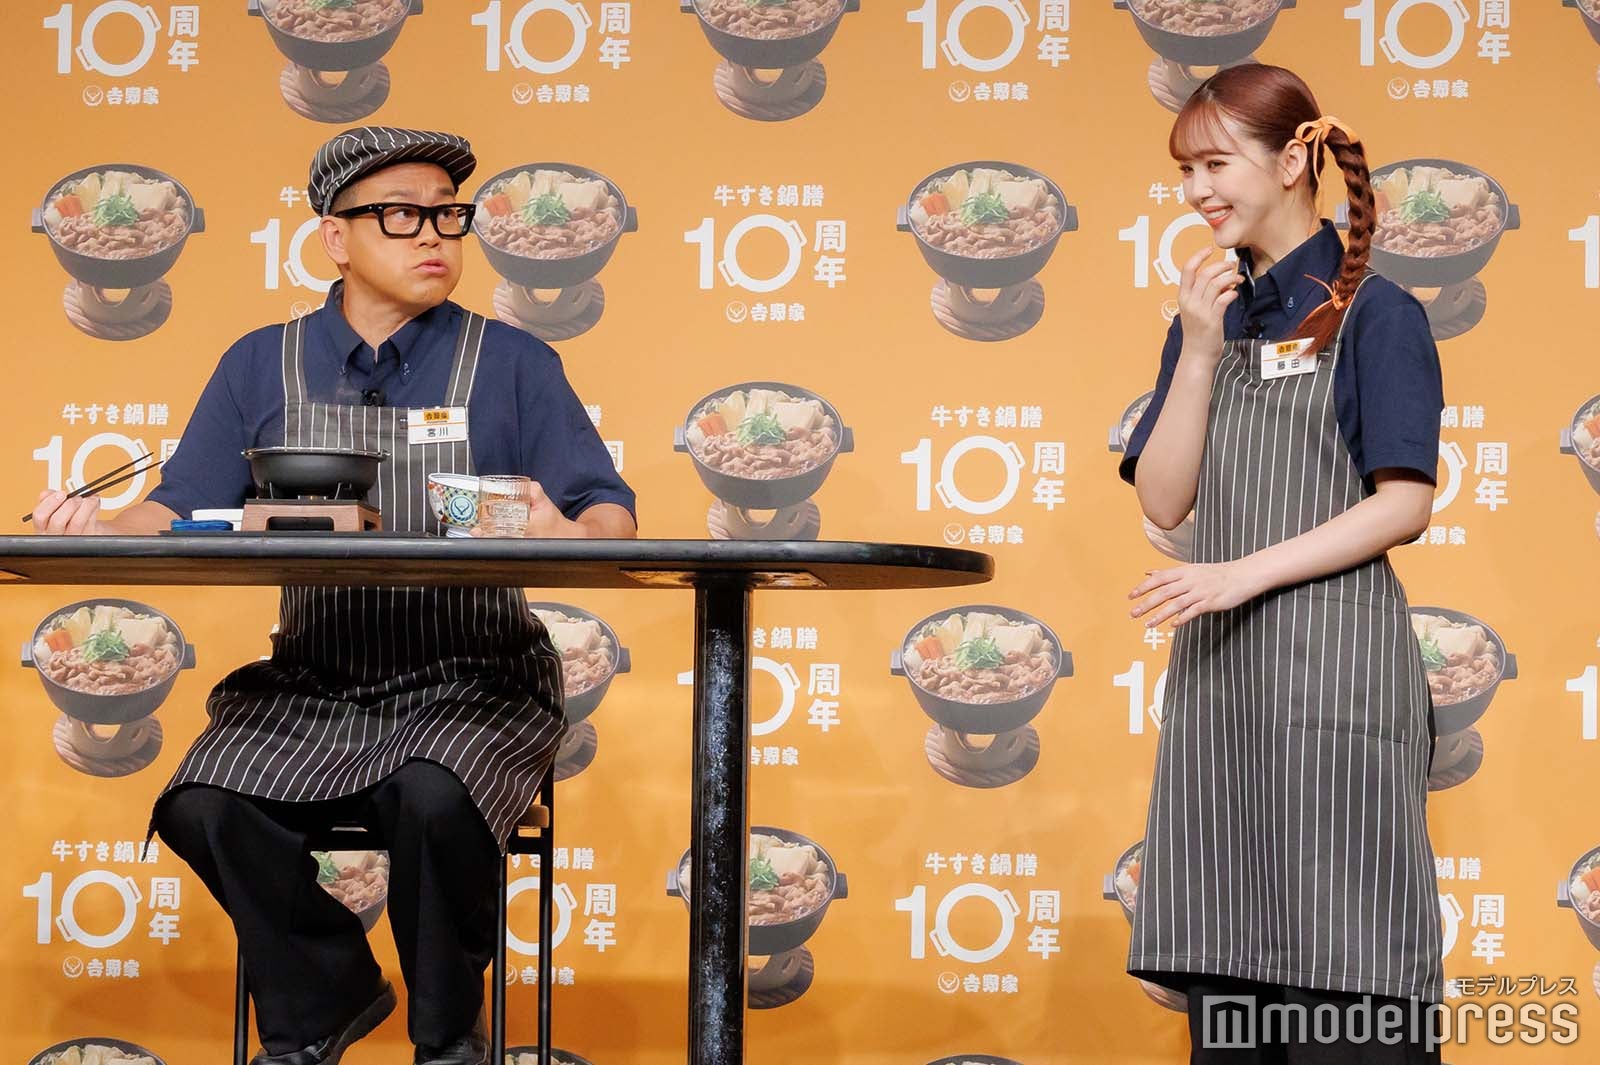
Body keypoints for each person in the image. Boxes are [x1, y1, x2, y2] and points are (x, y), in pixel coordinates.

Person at [31, 126, 638, 1065]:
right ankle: (326, 994)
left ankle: (449, 1038)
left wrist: (564, 531)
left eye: (449, 215)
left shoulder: (514, 363)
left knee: (434, 795)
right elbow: (174, 508)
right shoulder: (260, 363)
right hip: (316, 680)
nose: (432, 234)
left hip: (475, 678)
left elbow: (611, 518)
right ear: (334, 238)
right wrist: (91, 524)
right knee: (201, 802)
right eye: (400, 214)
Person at [1119, 65, 1445, 1063]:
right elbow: (1162, 498)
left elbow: (1405, 502)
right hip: (1225, 686)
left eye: (1215, 164)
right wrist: (1199, 348)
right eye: (1184, 170)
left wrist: (1237, 575)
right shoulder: (1209, 315)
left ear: (1295, 159)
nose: (1195, 191)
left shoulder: (1377, 313)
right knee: (1232, 971)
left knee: (1350, 965)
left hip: (1334, 675)